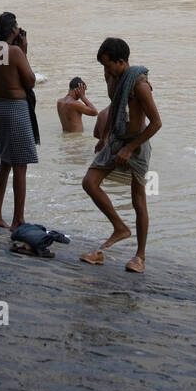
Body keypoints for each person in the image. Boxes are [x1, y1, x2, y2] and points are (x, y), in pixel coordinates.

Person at [80, 37, 161, 274]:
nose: (106, 71)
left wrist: (129, 148)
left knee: (138, 200)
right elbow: (114, 108)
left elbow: (156, 123)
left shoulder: (139, 85)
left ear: (121, 61)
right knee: (89, 183)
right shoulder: (112, 77)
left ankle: (140, 256)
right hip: (116, 140)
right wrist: (104, 136)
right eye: (103, 67)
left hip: (137, 145)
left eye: (108, 66)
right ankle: (119, 227)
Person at [0, 12, 37, 230]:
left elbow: (0, 57)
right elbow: (30, 81)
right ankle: (18, 219)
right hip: (15, 108)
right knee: (20, 165)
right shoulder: (15, 52)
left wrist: (16, 49)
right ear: (14, 30)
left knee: (5, 161)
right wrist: (24, 51)